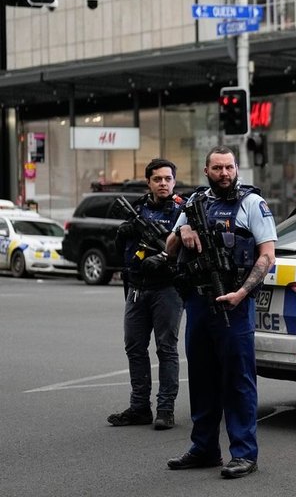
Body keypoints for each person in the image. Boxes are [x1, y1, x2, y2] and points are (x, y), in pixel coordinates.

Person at [165, 146, 277, 479]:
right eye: (217, 168)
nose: (224, 173)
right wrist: (181, 230)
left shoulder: (252, 204)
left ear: (237, 169)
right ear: (206, 170)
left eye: (229, 167)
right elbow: (168, 249)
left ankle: (244, 454)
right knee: (201, 379)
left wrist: (242, 293)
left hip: (235, 303)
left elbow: (267, 255)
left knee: (238, 381)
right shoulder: (193, 203)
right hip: (199, 303)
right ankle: (204, 449)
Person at [107, 158, 185, 430]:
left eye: (167, 179)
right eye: (157, 179)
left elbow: (191, 249)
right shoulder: (138, 209)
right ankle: (140, 407)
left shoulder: (183, 211)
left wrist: (165, 258)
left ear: (174, 181)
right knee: (134, 347)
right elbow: (121, 251)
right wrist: (123, 233)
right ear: (148, 182)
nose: (163, 183)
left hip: (167, 288)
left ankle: (165, 409)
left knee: (166, 349)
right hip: (138, 287)